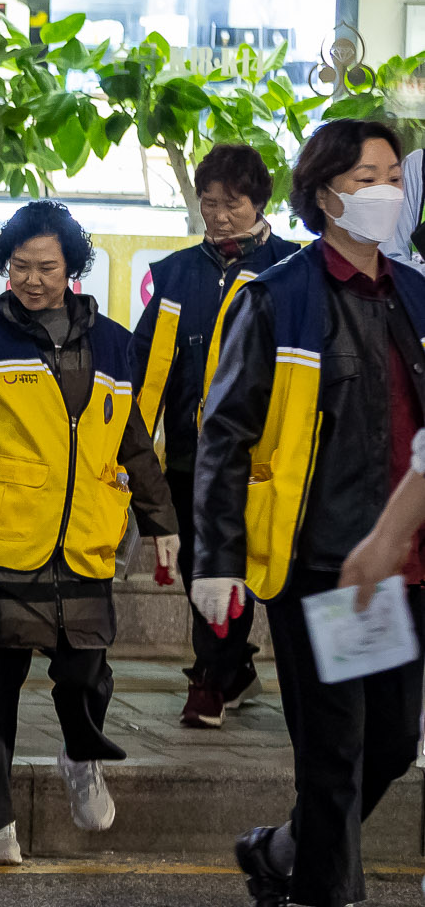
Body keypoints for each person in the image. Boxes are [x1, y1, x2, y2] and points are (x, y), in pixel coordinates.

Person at [197, 118, 423, 907]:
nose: (389, 191)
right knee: (336, 748)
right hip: (328, 561)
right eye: (372, 175)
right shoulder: (279, 295)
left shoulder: (411, 293)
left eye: (397, 176)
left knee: (395, 744)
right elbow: (225, 433)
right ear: (327, 190)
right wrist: (219, 558)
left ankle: (279, 851)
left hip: (405, 563)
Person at [0, 200, 177, 867]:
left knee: (87, 671)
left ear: (71, 267)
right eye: (20, 265)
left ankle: (81, 755)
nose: (31, 279)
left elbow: (133, 440)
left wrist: (160, 520)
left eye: (46, 266)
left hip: (83, 539)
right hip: (1, 538)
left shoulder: (114, 342)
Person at [130, 144, 300, 726]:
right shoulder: (174, 273)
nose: (219, 215)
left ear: (259, 203)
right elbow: (140, 366)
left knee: (229, 563)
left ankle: (211, 678)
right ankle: (234, 667)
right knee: (197, 566)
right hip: (185, 453)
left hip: (259, 458)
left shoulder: (290, 270)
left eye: (233, 203)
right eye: (209, 203)